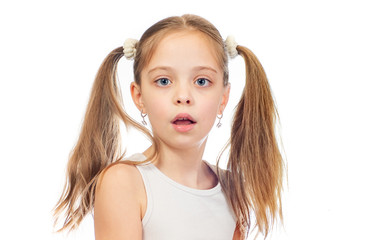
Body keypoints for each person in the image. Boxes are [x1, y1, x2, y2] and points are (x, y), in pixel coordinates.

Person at [54, 14, 284, 240]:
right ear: (139, 96)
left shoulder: (234, 190)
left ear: (223, 98)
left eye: (201, 81)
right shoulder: (125, 183)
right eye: (163, 81)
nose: (183, 96)